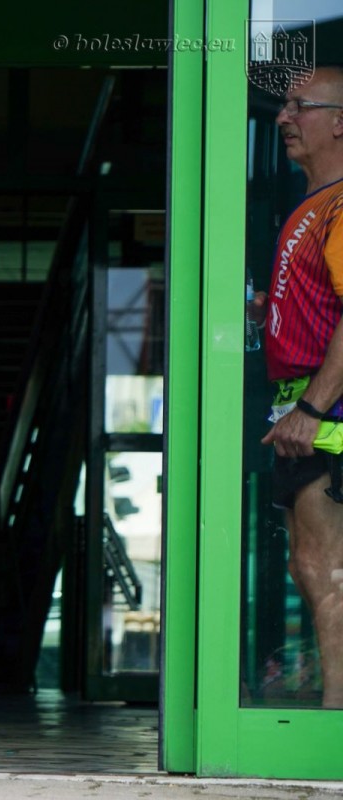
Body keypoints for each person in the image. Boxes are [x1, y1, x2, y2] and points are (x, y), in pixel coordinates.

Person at [258, 65, 343, 708]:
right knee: (307, 568)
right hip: (304, 413)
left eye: (298, 105)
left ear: (340, 122)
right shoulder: (313, 205)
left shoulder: (342, 203)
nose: (284, 116)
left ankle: (333, 727)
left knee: (327, 571)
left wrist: (312, 408)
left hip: (325, 415)